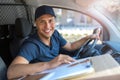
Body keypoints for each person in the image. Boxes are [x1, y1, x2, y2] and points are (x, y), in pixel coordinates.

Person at [7, 5, 100, 79]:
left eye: (50, 20)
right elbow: (11, 72)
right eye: (42, 22)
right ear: (36, 24)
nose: (47, 26)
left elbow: (71, 46)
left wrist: (88, 37)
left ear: (55, 21)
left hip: (61, 72)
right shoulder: (32, 45)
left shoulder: (55, 34)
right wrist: (49, 64)